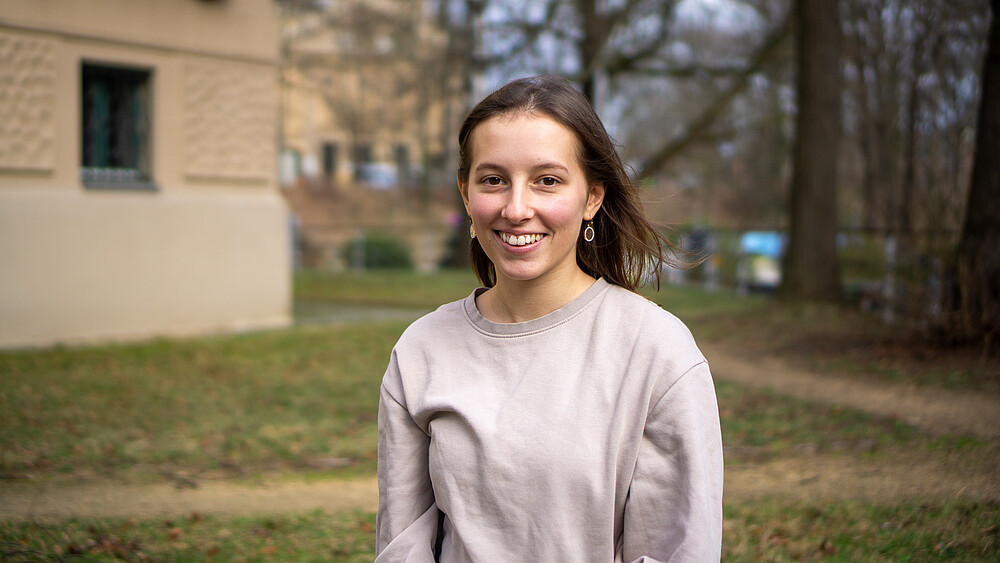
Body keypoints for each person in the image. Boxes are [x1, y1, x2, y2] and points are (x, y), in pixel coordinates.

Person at [376, 76, 723, 562]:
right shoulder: (420, 352)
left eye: (548, 180)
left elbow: (676, 551)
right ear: (465, 193)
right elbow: (401, 548)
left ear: (592, 198)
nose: (517, 209)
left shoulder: (658, 353)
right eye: (493, 179)